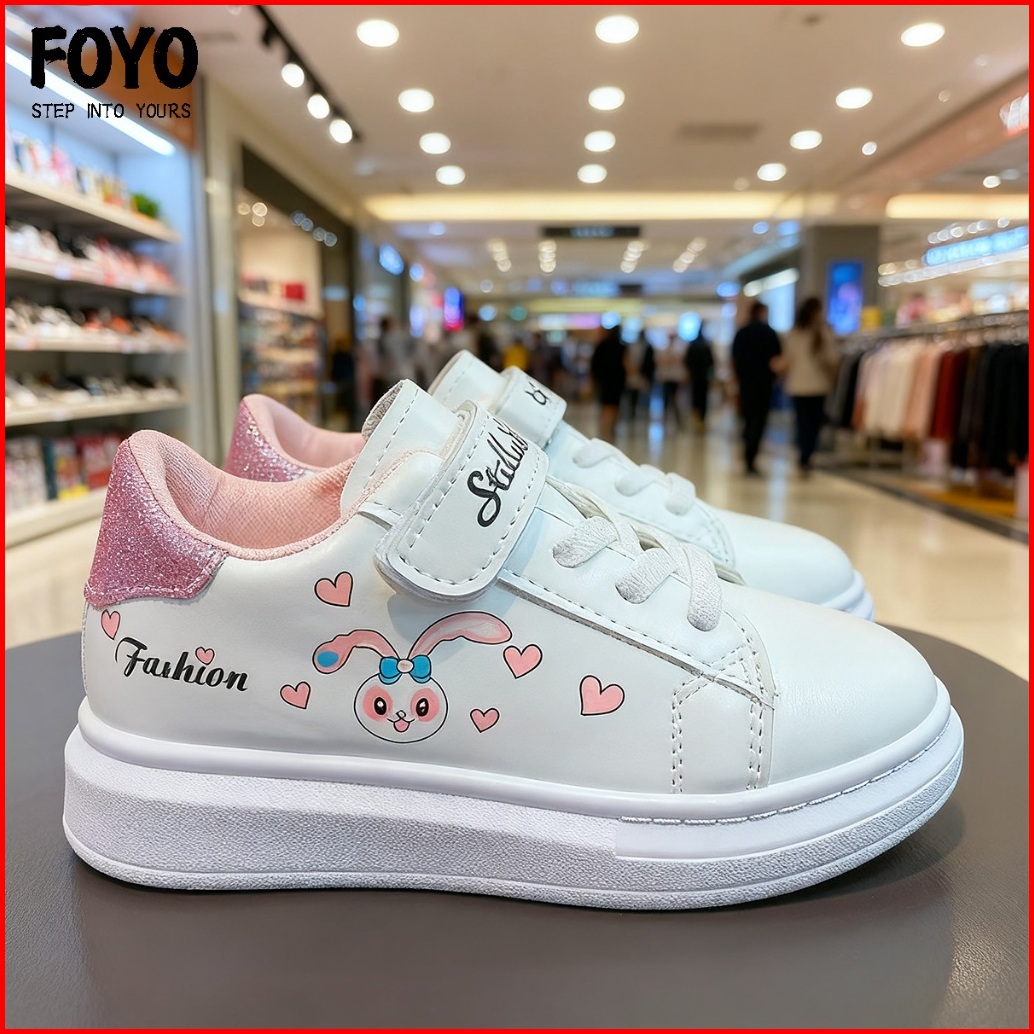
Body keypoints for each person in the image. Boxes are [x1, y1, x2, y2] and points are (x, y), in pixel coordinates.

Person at [778, 296, 840, 477]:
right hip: (817, 386)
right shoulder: (822, 334)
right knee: (813, 425)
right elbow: (832, 360)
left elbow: (787, 360)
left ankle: (803, 457)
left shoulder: (795, 334)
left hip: (798, 387)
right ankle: (806, 457)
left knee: (802, 423)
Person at [731, 301, 783, 475]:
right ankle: (751, 457)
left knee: (748, 419)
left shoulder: (742, 332)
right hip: (764, 384)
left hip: (746, 384)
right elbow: (776, 361)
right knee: (759, 421)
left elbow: (734, 359)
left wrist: (737, 379)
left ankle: (747, 453)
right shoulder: (769, 333)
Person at [590, 323, 626, 442]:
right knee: (615, 406)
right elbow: (626, 364)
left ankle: (604, 430)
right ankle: (611, 429)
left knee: (605, 406)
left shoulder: (602, 346)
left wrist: (594, 379)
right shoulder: (621, 347)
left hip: (604, 381)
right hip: (617, 380)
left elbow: (594, 365)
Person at [684, 325, 715, 429]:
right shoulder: (706, 345)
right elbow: (711, 362)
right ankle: (701, 417)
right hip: (703, 376)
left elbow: (687, 361)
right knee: (703, 397)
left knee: (695, 396)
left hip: (695, 376)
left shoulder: (693, 345)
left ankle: (696, 416)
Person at [657, 333, 686, 429]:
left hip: (675, 378)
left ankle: (678, 420)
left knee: (675, 399)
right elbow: (660, 362)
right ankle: (665, 418)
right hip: (667, 378)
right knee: (666, 399)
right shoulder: (664, 349)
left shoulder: (678, 350)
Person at [623, 330, 652, 421]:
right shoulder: (633, 346)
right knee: (633, 394)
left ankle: (642, 412)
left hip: (643, 375)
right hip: (633, 374)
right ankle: (632, 412)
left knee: (643, 394)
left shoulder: (647, 347)